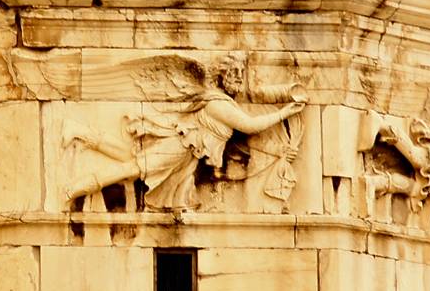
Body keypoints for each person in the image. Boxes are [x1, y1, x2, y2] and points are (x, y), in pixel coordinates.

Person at [62, 57, 305, 211]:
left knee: (130, 160)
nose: (239, 79)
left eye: (241, 74)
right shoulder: (218, 104)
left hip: (187, 154)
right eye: (234, 74)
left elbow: (238, 146)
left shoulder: (224, 103)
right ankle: (71, 191)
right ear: (221, 77)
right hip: (181, 147)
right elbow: (250, 126)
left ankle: (81, 132)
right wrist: (285, 112)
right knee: (131, 170)